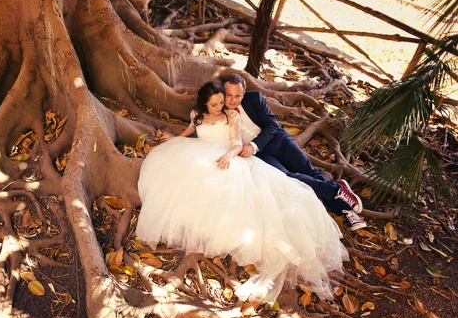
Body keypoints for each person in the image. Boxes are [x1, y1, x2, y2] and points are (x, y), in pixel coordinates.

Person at [136, 81, 348, 303]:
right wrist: (173, 140)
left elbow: (237, 142)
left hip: (229, 156)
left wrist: (229, 155)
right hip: (200, 153)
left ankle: (335, 193)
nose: (220, 107)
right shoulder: (197, 115)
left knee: (266, 188)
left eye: (221, 102)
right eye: (215, 104)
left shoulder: (231, 116)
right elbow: (189, 132)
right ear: (205, 104)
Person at [221, 74, 366, 231]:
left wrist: (253, 145)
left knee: (308, 170)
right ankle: (337, 190)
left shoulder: (254, 98)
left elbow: (272, 125)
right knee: (288, 178)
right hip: (261, 155)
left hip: (278, 140)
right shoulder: (217, 108)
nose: (233, 100)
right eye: (229, 95)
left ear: (244, 93)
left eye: (238, 96)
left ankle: (345, 209)